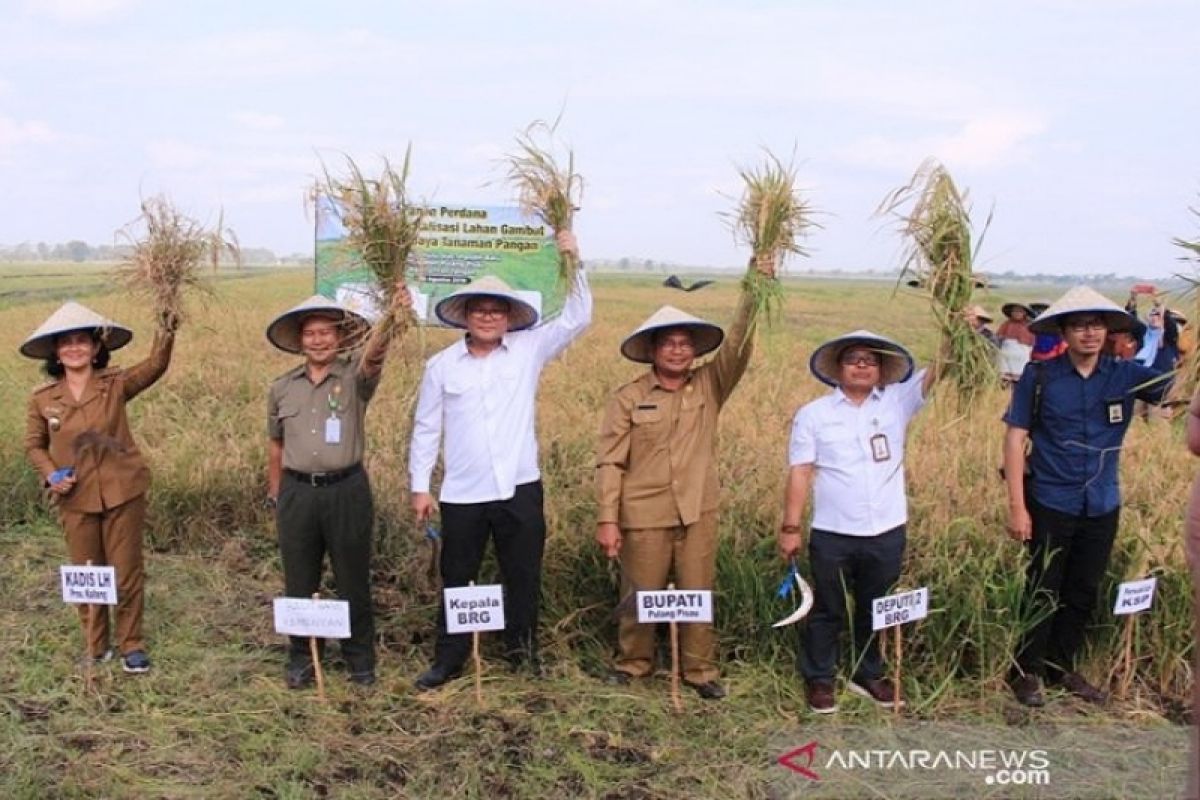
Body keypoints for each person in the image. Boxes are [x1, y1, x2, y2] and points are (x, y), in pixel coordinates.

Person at [409, 232, 590, 690]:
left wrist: (574, 259)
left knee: (523, 574)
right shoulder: (441, 366)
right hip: (462, 492)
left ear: (509, 317)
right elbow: (427, 428)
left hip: (520, 488)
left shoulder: (529, 350)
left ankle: (521, 653)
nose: (488, 316)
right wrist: (419, 485)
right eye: (479, 309)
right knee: (457, 577)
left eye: (496, 309)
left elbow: (577, 317)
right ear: (466, 316)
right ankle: (449, 659)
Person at [594, 273, 756, 700]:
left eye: (686, 343)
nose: (678, 350)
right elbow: (610, 461)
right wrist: (607, 518)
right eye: (669, 343)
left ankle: (699, 671)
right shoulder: (628, 398)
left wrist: (756, 289)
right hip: (642, 511)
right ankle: (634, 663)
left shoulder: (709, 384)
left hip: (697, 509)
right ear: (652, 350)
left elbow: (738, 349)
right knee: (639, 591)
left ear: (695, 350)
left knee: (697, 589)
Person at [1003, 286, 1168, 707]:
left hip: (1102, 501)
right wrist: (1018, 507)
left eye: (1096, 325)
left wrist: (1162, 331)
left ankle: (1061, 667)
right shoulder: (1040, 377)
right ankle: (1025, 672)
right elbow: (1015, 437)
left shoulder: (1124, 374)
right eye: (1079, 325)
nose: (1089, 333)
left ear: (1108, 330)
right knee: (1043, 587)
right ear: (1064, 332)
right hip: (1050, 500)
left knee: (1083, 589)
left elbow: (1170, 383)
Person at [779, 330, 941, 714]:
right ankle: (820, 678)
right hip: (833, 531)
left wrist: (959, 326)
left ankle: (868, 674)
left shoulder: (897, 403)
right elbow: (800, 471)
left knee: (876, 606)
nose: (862, 365)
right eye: (853, 359)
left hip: (886, 528)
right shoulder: (814, 414)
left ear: (882, 370)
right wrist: (790, 527)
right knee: (828, 607)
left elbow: (941, 369)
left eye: (870, 360)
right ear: (838, 368)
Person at [23, 301, 178, 674]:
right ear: (56, 353)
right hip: (75, 497)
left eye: (82, 341)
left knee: (126, 570)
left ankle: (131, 645)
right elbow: (33, 445)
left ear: (96, 349)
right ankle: (96, 645)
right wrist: (52, 475)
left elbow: (156, 365)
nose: (75, 348)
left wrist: (167, 322)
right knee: (87, 573)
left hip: (122, 490)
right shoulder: (43, 399)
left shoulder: (115, 385)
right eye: (66, 343)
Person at [266, 289, 407, 688]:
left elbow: (376, 354)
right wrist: (276, 493)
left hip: (347, 491)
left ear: (340, 338)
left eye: (326, 332)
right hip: (297, 493)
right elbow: (275, 445)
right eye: (310, 333)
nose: (318, 340)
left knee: (352, 578)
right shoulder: (281, 388)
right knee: (299, 579)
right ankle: (302, 658)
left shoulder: (355, 376)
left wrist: (393, 317)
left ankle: (359, 659)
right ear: (299, 341)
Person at [996, 302, 1035, 385]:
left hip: (1022, 356)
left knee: (1020, 380)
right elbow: (998, 338)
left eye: (1019, 311)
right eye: (1014, 311)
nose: (1017, 313)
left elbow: (1032, 342)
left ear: (1024, 313)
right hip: (1006, 355)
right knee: (1005, 379)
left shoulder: (1029, 325)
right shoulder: (1006, 324)